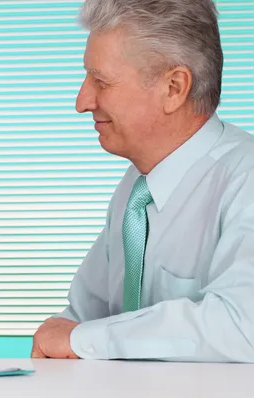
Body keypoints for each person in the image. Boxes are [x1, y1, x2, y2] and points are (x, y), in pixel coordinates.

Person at [32, 0, 254, 362]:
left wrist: (80, 339)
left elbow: (244, 328)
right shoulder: (135, 191)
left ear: (173, 87)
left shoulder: (246, 181)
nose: (82, 101)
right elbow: (81, 319)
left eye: (100, 81)